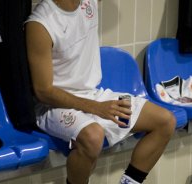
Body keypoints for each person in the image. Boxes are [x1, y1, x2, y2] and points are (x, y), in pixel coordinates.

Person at [25, 0, 176, 183]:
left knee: (164, 121)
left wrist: (97, 105)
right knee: (93, 137)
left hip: (93, 94)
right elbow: (43, 91)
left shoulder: (89, 2)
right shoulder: (39, 24)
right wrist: (96, 108)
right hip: (54, 106)